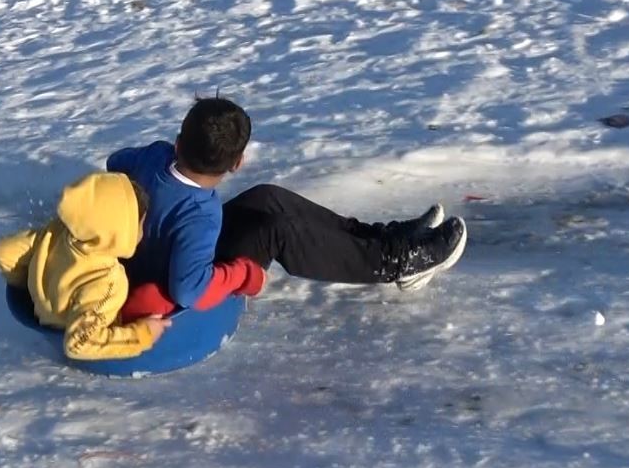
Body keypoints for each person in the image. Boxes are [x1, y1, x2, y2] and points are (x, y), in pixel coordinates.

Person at [108, 98, 467, 317]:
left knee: (266, 197)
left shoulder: (154, 156)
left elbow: (115, 162)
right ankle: (396, 262)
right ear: (237, 164)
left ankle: (382, 239)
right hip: (168, 281)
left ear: (178, 141)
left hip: (162, 253)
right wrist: (239, 275)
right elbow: (189, 291)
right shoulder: (199, 216)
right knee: (277, 232)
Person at [0, 172, 170, 360]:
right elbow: (79, 344)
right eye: (139, 226)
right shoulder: (106, 282)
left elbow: (4, 253)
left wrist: (31, 287)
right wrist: (142, 334)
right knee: (152, 298)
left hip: (45, 310)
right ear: (117, 232)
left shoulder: (56, 233)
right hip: (80, 331)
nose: (142, 232)